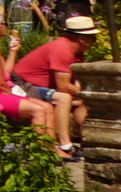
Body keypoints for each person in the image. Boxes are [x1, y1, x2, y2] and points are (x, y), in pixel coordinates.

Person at [11, 16, 86, 156]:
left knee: (82, 101)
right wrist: (87, 92)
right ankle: (65, 144)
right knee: (63, 98)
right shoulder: (62, 50)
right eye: (93, 38)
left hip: (40, 87)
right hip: (23, 86)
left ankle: (88, 142)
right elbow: (64, 86)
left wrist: (85, 94)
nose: (94, 42)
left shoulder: (77, 52)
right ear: (83, 39)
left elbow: (74, 80)